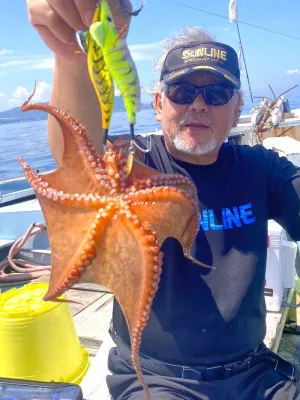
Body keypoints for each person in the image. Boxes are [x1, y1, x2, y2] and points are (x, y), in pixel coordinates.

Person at [26, 1, 300, 399]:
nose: (199, 104)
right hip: (157, 381)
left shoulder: (262, 170)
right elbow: (75, 152)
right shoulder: (132, 162)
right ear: (158, 103)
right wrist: (71, 51)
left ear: (237, 106)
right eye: (182, 90)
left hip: (256, 373)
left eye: (218, 92)